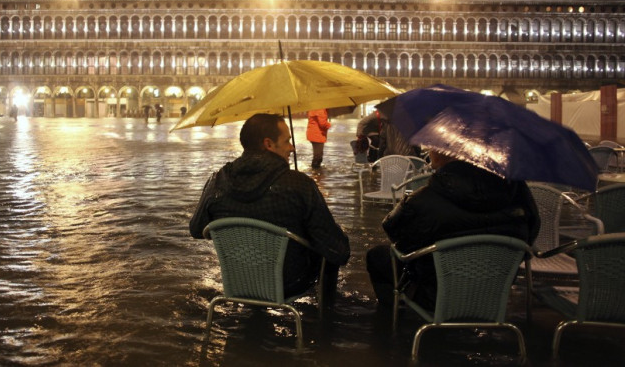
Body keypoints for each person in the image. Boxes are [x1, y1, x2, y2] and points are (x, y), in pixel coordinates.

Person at [190, 113, 350, 301]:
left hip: (238, 282)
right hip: (290, 284)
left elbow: (196, 229)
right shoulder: (298, 184)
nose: (292, 147)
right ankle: (326, 320)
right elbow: (339, 250)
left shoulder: (217, 181)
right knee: (328, 250)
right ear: (269, 144)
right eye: (287, 141)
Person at [366, 150, 540, 310]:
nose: (428, 150)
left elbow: (397, 235)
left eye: (432, 146)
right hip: (495, 294)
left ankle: (395, 320)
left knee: (377, 256)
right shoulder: (518, 192)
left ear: (446, 154)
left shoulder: (424, 199)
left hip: (435, 296)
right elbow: (531, 234)